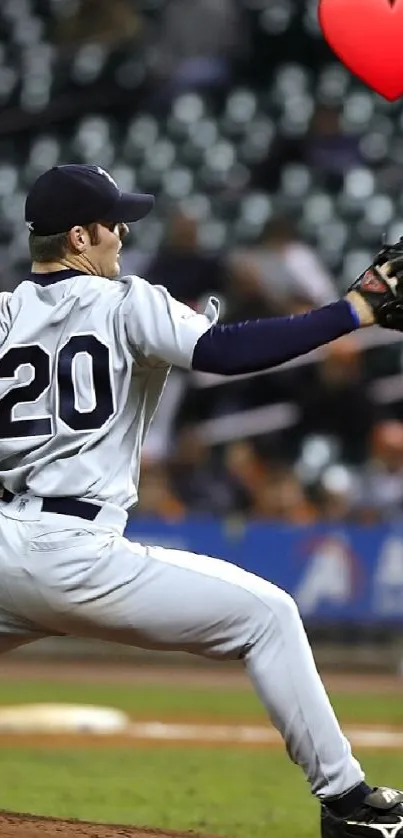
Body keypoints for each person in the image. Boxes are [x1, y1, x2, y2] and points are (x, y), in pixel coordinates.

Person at [0, 163, 402, 838]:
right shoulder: (123, 301)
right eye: (112, 222)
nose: (122, 233)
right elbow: (222, 353)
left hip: (5, 547)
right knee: (268, 615)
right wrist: (354, 310)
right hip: (78, 553)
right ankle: (348, 803)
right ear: (78, 235)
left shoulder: (6, 314)